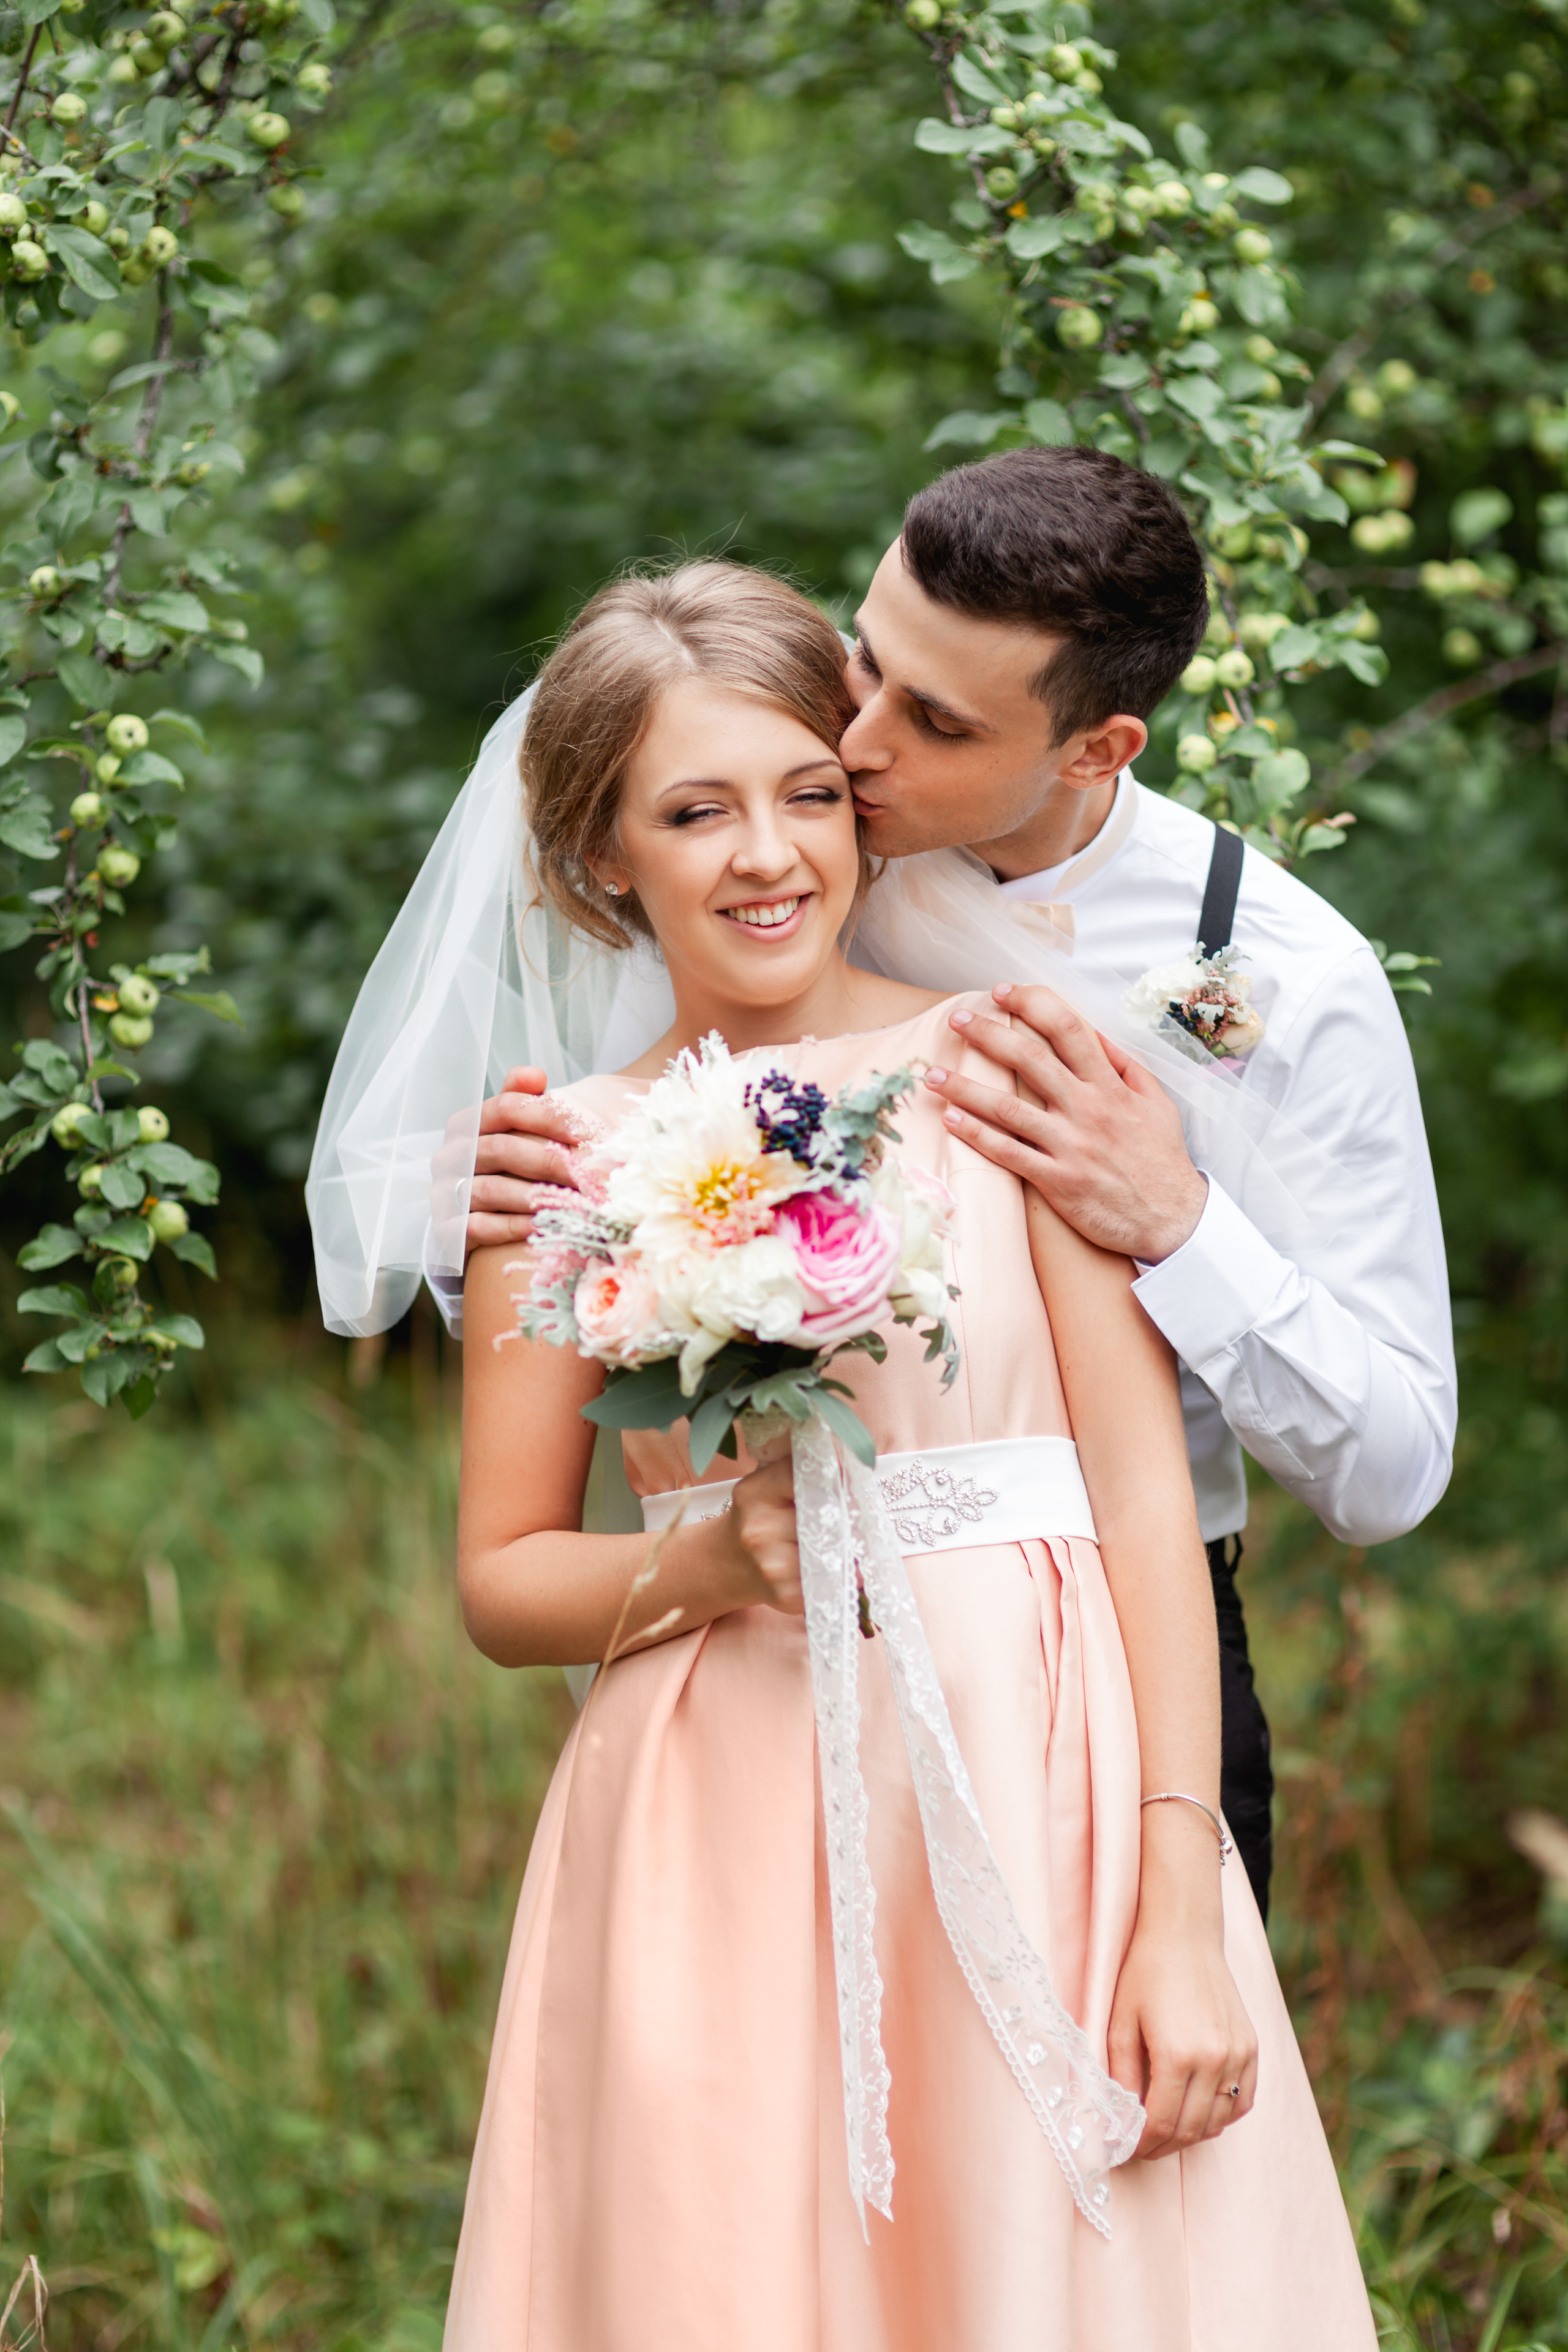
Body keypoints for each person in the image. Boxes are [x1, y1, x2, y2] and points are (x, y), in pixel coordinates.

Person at [443, 560, 1375, 2351]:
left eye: (808, 791)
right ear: (598, 857)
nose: (766, 853)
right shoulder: (559, 1165)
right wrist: (702, 1565)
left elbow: (1139, 1499)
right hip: (714, 1812)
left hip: (1047, 1784)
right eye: (692, 811)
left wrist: (1181, 1898)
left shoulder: (1011, 1067)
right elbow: (502, 1577)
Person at [427, 447, 1456, 1923]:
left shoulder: (1287, 985)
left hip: (1109, 1644)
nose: (853, 745)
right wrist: (496, 1180)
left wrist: (1174, 1224)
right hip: (759, 1672)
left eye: (931, 721)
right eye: (863, 661)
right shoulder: (809, 832)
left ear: (1093, 750)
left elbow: (1391, 1470)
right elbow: (645, 1048)